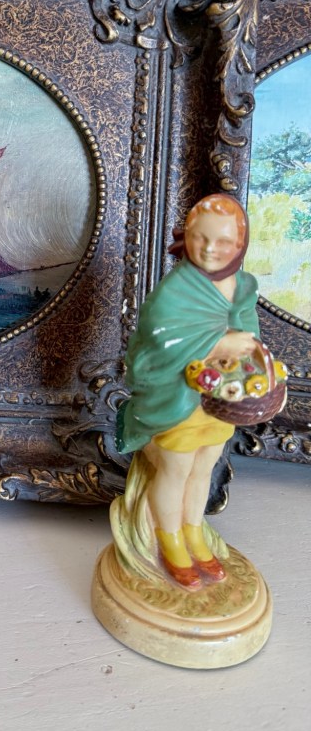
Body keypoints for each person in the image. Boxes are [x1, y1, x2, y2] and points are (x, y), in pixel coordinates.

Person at [111, 194, 260, 591]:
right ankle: (170, 538)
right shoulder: (175, 291)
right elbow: (161, 341)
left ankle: (194, 529)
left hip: (218, 399)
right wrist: (221, 344)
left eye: (223, 241)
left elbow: (249, 334)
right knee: (176, 469)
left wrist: (247, 353)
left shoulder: (242, 286)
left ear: (240, 243)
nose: (209, 249)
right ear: (186, 236)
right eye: (200, 238)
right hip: (177, 399)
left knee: (204, 466)